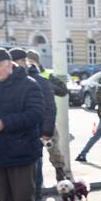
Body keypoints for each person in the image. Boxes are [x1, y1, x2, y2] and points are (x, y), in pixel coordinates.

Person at [0, 47, 44, 201]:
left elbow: (35, 114)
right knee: (3, 194)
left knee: (22, 194)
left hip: (22, 149)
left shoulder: (29, 85)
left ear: (9, 64)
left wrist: (3, 123)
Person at [8, 48, 54, 201]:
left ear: (22, 62)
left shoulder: (39, 80)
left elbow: (49, 108)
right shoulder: (7, 82)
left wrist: (47, 131)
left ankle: (36, 194)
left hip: (36, 131)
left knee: (36, 163)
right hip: (14, 133)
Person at [27, 49, 68, 181]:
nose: (29, 64)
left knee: (54, 149)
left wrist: (47, 85)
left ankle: (60, 175)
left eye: (31, 61)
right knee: (35, 156)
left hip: (48, 119)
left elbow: (63, 91)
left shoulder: (46, 75)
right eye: (27, 62)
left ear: (37, 62)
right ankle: (37, 183)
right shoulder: (23, 76)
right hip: (32, 120)